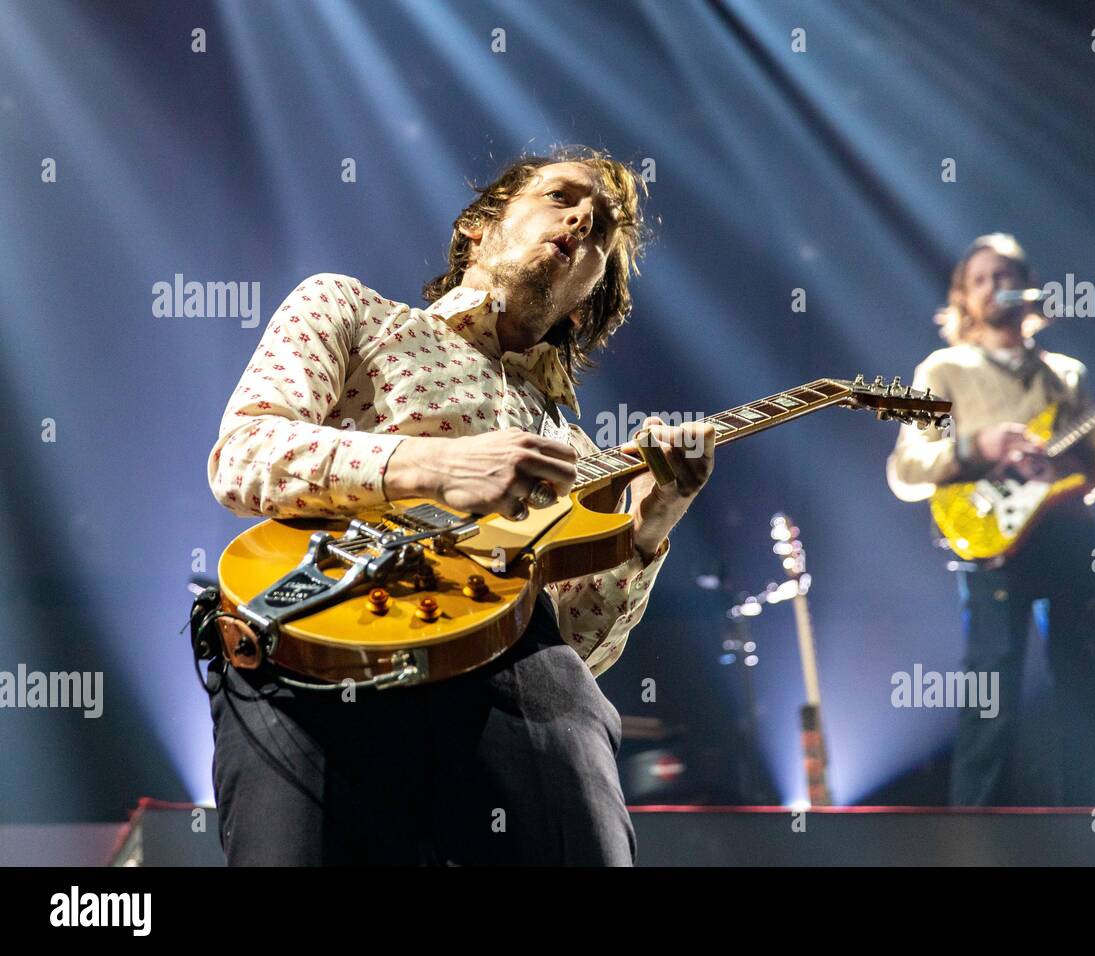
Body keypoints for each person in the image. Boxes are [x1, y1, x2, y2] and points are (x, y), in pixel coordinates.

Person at [204, 145, 715, 864]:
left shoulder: (568, 448)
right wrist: (437, 464)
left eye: (602, 232)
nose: (582, 223)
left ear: (592, 292)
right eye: (563, 197)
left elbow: (581, 644)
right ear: (479, 225)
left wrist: (651, 519)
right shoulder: (349, 309)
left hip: (517, 677)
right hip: (318, 639)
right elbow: (246, 457)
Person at [886, 233, 1095, 806]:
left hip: (1070, 537)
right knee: (993, 691)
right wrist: (977, 446)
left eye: (1005, 275)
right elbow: (906, 470)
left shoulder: (1067, 373)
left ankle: (1090, 823)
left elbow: (1093, 472)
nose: (994, 287)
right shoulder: (944, 370)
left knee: (1087, 681)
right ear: (964, 296)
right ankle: (979, 836)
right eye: (980, 278)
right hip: (992, 545)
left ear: (1028, 289)